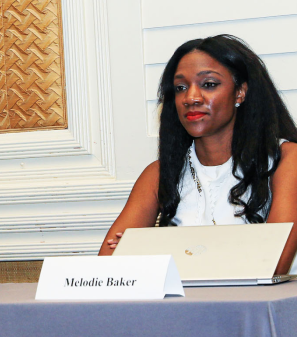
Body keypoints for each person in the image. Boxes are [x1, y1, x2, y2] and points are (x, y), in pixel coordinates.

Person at [99, 35, 297, 274]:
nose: (191, 98)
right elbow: (109, 269)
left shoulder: (286, 160)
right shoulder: (158, 173)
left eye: (209, 84)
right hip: (179, 310)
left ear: (240, 92)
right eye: (181, 88)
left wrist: (152, 254)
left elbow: (272, 264)